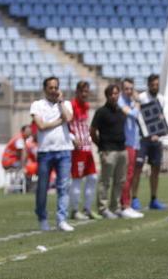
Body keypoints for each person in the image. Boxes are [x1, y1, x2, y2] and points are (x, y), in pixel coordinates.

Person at [30, 76, 75, 232]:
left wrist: (61, 103)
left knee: (63, 186)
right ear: (45, 89)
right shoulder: (37, 105)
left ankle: (61, 219)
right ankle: (42, 217)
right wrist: (58, 121)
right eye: (51, 88)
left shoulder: (66, 104)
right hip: (45, 152)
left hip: (64, 150)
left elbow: (68, 118)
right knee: (42, 187)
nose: (54, 91)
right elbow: (41, 126)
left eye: (56, 87)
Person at [130, 73, 167, 211]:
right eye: (152, 85)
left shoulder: (162, 99)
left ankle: (153, 199)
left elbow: (159, 119)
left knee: (156, 169)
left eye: (157, 85)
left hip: (156, 140)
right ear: (148, 85)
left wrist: (158, 133)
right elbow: (140, 117)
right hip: (142, 139)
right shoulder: (142, 98)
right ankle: (134, 198)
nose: (155, 87)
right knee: (138, 168)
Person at [89, 84, 127, 219]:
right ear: (107, 96)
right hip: (108, 151)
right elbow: (92, 131)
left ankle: (115, 207)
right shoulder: (101, 112)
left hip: (122, 150)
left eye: (116, 93)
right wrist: (101, 145)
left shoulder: (121, 111)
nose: (114, 96)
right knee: (105, 181)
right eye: (111, 94)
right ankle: (102, 208)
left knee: (119, 180)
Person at [68, 81, 100, 220]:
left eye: (87, 91)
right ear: (77, 92)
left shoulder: (86, 106)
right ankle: (75, 210)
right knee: (77, 179)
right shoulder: (71, 105)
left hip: (87, 147)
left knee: (93, 177)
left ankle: (87, 208)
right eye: (82, 91)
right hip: (77, 149)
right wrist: (72, 138)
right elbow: (66, 125)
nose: (85, 94)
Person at [117, 78, 143, 219]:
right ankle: (124, 205)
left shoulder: (131, 102)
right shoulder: (121, 101)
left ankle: (127, 204)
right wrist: (137, 103)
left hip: (134, 142)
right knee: (127, 175)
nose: (129, 91)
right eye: (126, 89)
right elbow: (133, 114)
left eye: (131, 89)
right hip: (127, 142)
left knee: (131, 174)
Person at [1, 124, 37, 188]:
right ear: (23, 131)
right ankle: (29, 185)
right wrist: (24, 166)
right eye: (28, 131)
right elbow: (22, 153)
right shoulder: (19, 139)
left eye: (30, 131)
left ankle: (28, 184)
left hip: (11, 161)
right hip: (9, 162)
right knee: (30, 166)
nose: (29, 133)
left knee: (30, 165)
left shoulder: (22, 139)